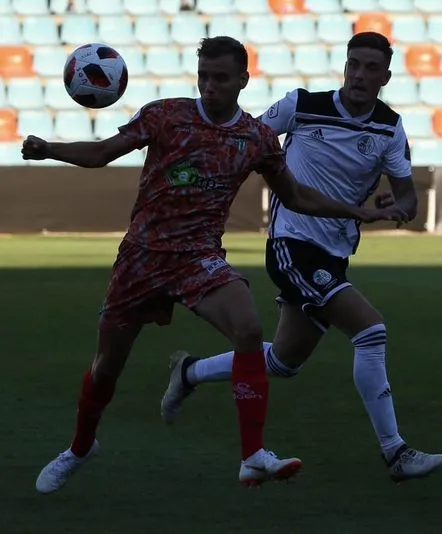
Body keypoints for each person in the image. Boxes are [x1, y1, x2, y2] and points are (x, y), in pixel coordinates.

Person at [28, 36, 404, 495]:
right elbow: (104, 152)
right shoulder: (165, 115)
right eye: (203, 76)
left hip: (199, 257)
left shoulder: (256, 138)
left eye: (220, 77)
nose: (209, 86)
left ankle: (252, 457)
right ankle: (80, 448)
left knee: (248, 327)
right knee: (107, 366)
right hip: (142, 258)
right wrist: (51, 149)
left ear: (243, 80)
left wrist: (357, 212)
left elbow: (298, 196)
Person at [159, 32, 442, 483]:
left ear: (386, 77)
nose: (360, 75)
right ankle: (396, 453)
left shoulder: (390, 127)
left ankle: (190, 371)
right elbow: (244, 138)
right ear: (345, 65)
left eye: (372, 68)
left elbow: (409, 199)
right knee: (370, 330)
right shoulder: (302, 105)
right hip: (291, 244)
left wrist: (396, 208)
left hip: (333, 252)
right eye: (354, 64)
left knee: (283, 361)